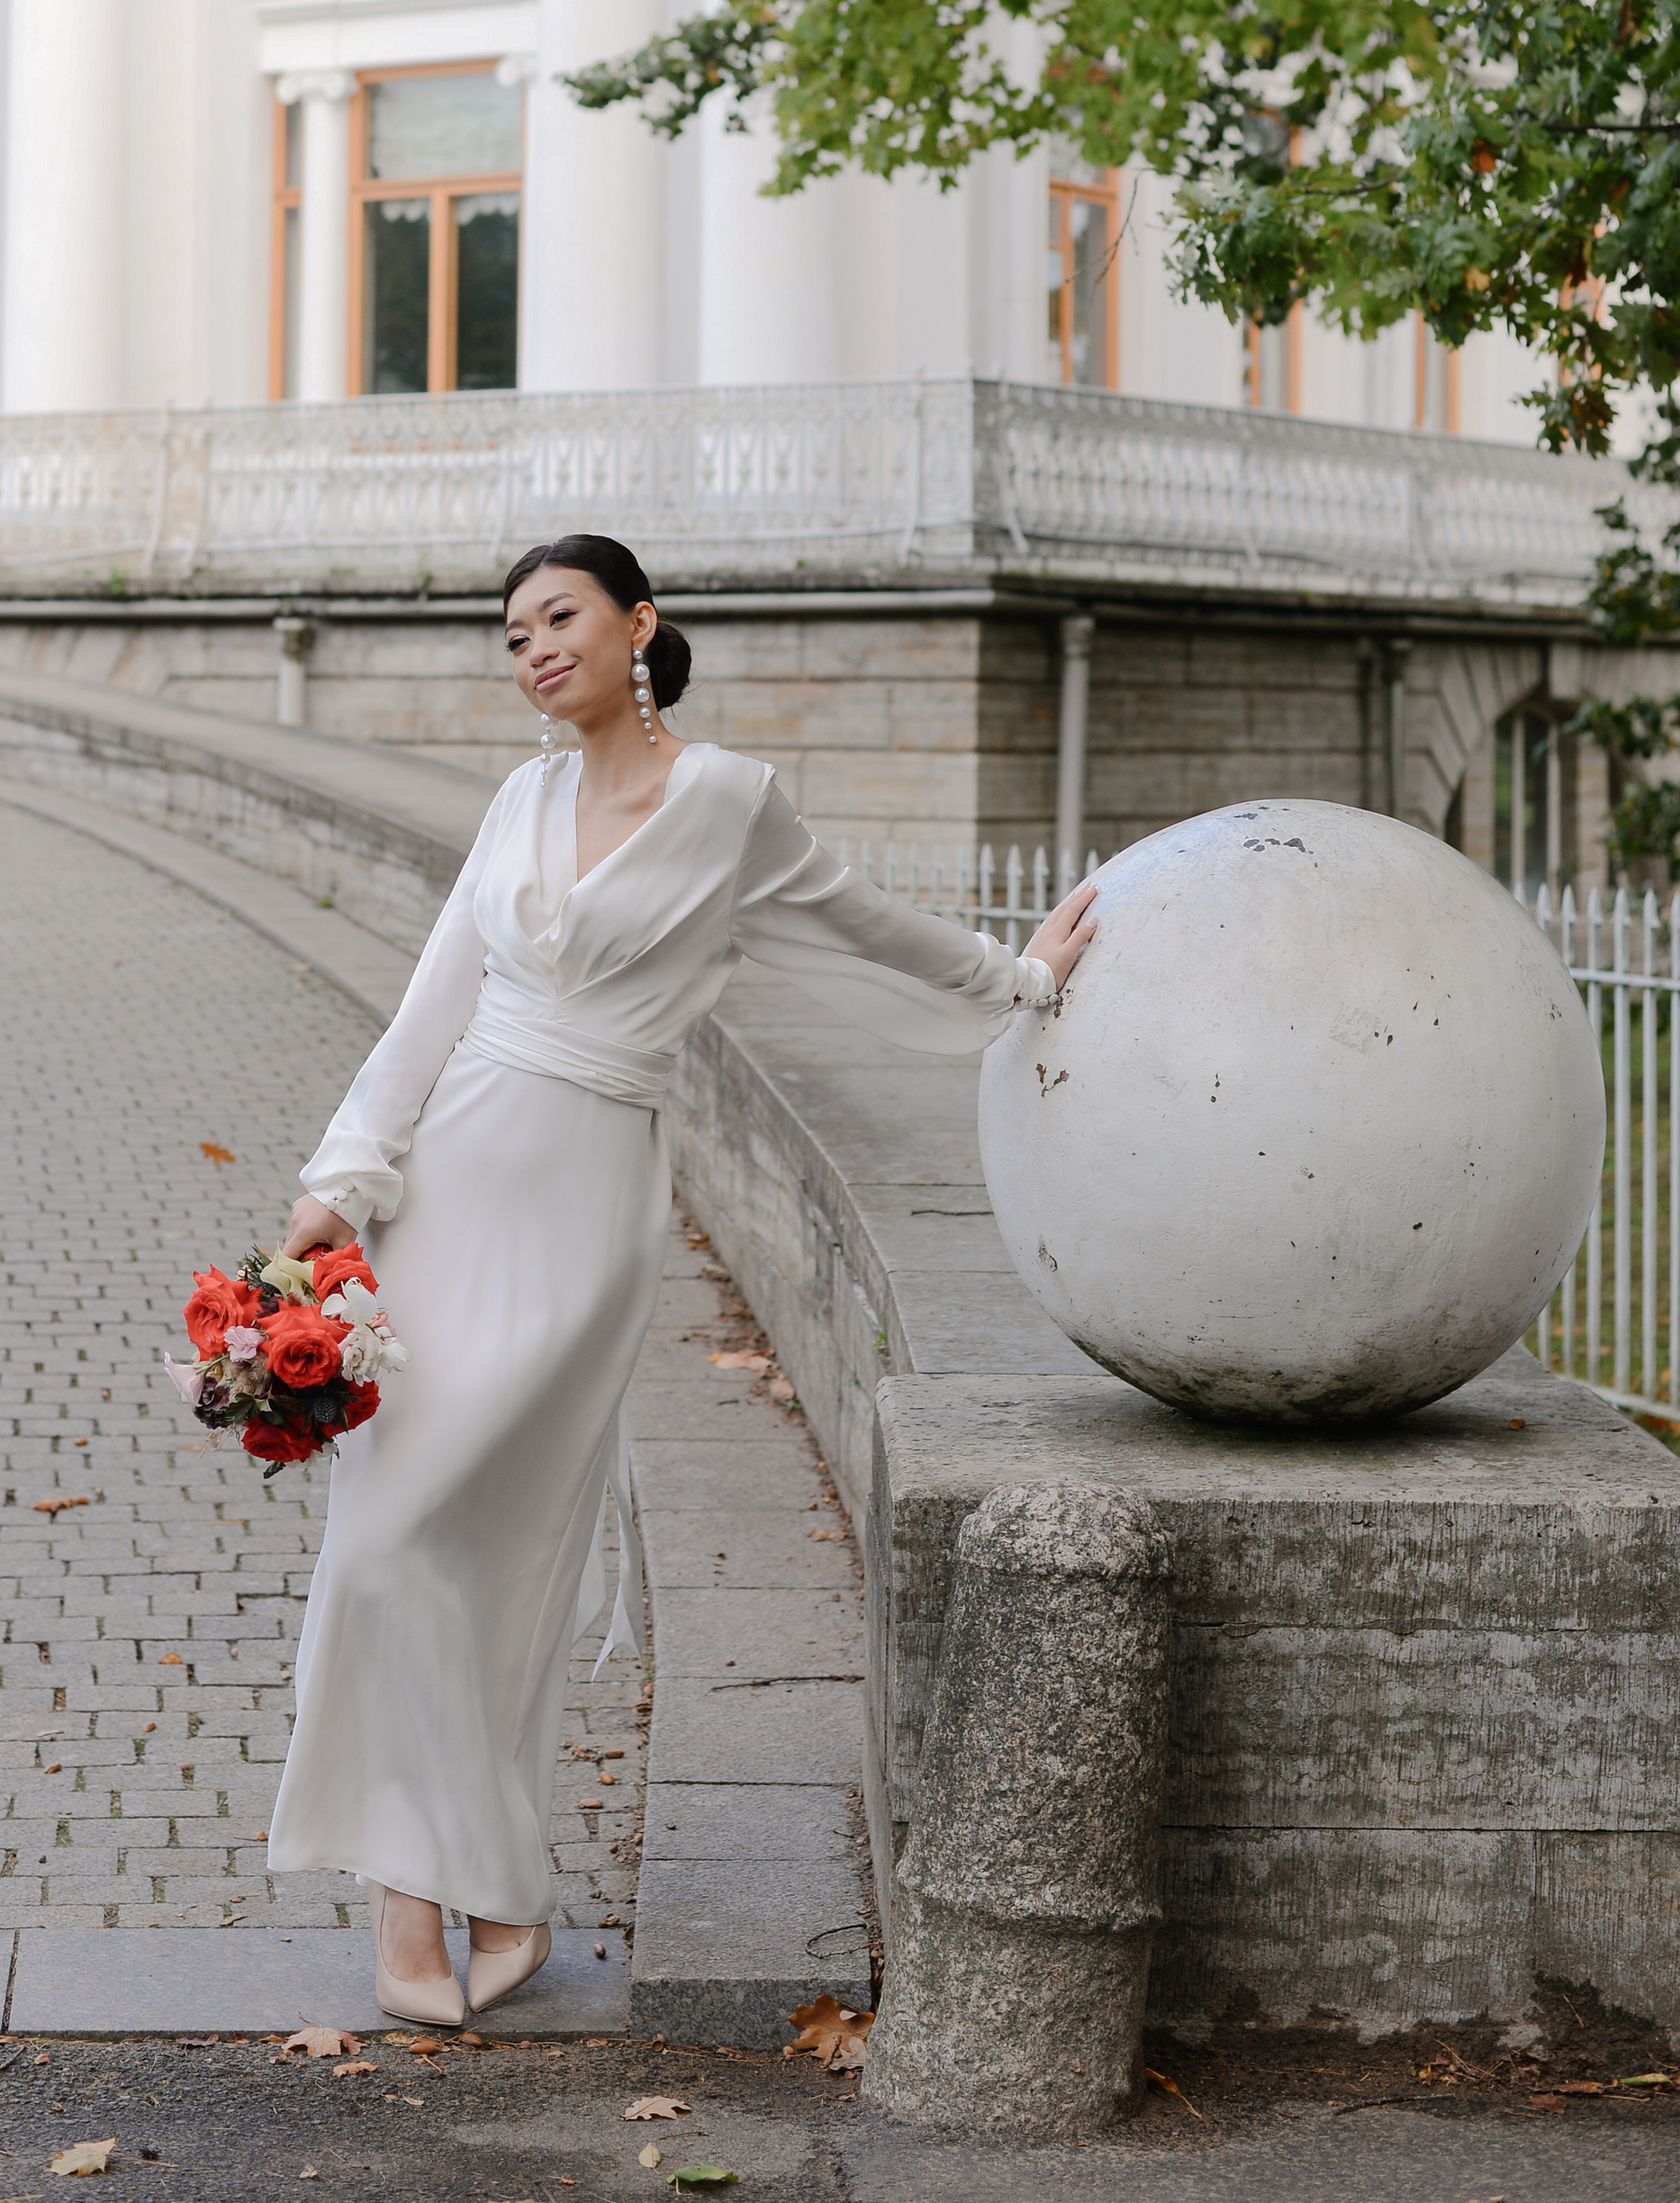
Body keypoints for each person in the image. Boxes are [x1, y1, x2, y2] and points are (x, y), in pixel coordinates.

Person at [266, 531, 1096, 2023]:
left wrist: (1018, 979)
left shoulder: (727, 803)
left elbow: (862, 929)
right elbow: (430, 1001)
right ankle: (427, 1887)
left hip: (587, 1208)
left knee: (502, 1549)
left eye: (558, 615)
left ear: (637, 623)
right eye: (510, 630)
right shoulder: (517, 801)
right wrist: (343, 1178)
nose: (531, 646)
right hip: (447, 1188)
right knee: (389, 1540)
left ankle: (493, 1878)